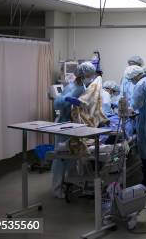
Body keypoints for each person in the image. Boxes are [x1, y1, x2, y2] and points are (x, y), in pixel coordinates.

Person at [51, 62, 97, 198]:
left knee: (72, 157)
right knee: (61, 158)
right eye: (88, 75)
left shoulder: (82, 86)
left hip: (74, 125)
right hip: (64, 124)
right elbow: (57, 104)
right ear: (82, 75)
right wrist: (67, 99)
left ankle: (68, 183)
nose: (90, 78)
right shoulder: (71, 87)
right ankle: (57, 188)